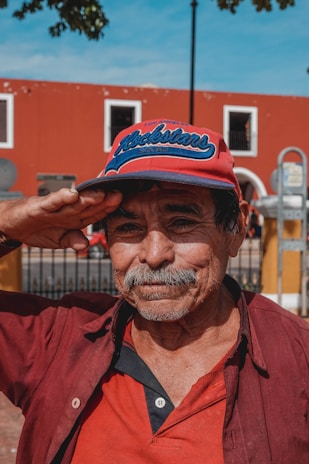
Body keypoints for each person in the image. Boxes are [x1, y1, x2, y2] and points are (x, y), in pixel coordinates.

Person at [0, 119, 308, 464]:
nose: (154, 254)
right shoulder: (55, 340)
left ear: (235, 229)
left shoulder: (298, 359)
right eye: (128, 227)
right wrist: (5, 224)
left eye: (182, 222)